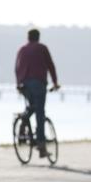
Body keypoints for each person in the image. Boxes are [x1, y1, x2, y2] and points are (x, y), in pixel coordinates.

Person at [15, 29, 60, 158]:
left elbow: (17, 68)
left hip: (24, 84)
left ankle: (23, 124)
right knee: (40, 112)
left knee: (32, 107)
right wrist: (55, 82)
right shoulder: (42, 48)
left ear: (28, 37)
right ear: (38, 37)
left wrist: (18, 84)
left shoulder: (22, 49)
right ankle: (41, 146)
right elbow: (50, 65)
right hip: (38, 84)